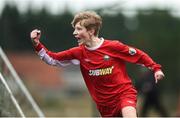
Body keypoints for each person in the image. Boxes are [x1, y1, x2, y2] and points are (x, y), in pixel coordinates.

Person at [30, 11, 165, 117]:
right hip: (104, 106)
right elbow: (53, 59)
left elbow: (138, 55)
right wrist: (37, 44)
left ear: (91, 31)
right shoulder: (78, 53)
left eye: (78, 29)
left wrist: (156, 68)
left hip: (124, 94)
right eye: (75, 29)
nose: (74, 33)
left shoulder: (113, 46)